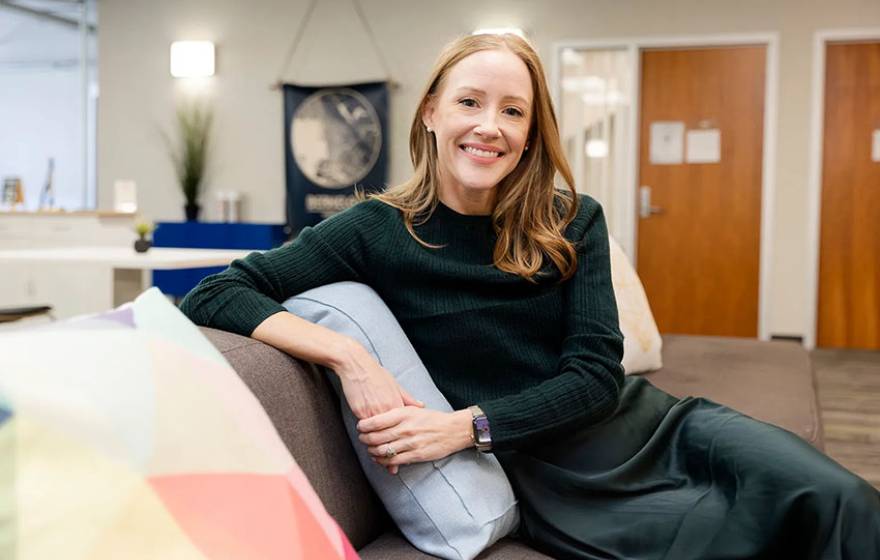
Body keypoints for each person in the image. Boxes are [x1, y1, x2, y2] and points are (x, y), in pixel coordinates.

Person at [180, 33, 880, 559]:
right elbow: (216, 294)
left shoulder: (574, 218)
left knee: (844, 501)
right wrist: (347, 356)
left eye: (513, 111)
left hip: (665, 429)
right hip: (563, 483)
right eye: (470, 102)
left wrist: (464, 428)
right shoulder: (375, 229)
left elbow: (596, 375)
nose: (491, 125)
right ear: (430, 113)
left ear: (528, 134)